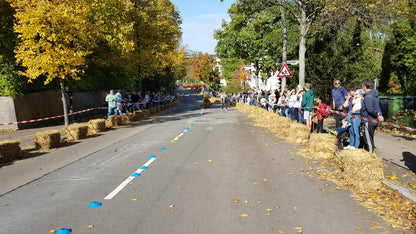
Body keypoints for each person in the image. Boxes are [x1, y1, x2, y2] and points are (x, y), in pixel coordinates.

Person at [361, 79, 384, 153]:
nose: (362, 88)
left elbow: (370, 109)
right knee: (370, 137)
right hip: (373, 120)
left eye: (362, 86)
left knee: (368, 139)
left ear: (365, 87)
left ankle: (370, 154)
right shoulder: (375, 96)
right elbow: (378, 107)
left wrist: (377, 115)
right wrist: (379, 115)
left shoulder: (368, 96)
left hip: (368, 120)